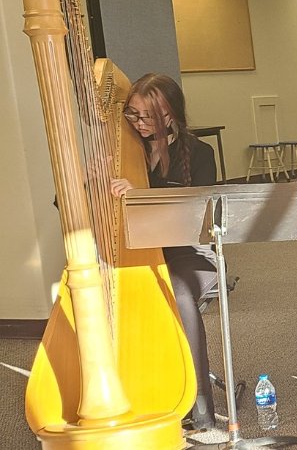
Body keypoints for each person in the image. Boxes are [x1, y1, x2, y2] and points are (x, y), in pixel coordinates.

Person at [105, 73, 219, 430]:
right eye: (133, 115)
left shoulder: (199, 153)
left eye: (148, 117)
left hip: (189, 253)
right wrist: (90, 180)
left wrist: (139, 194)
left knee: (179, 290)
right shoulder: (124, 150)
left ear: (170, 115)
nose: (139, 124)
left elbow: (194, 221)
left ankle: (199, 402)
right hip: (135, 253)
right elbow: (64, 204)